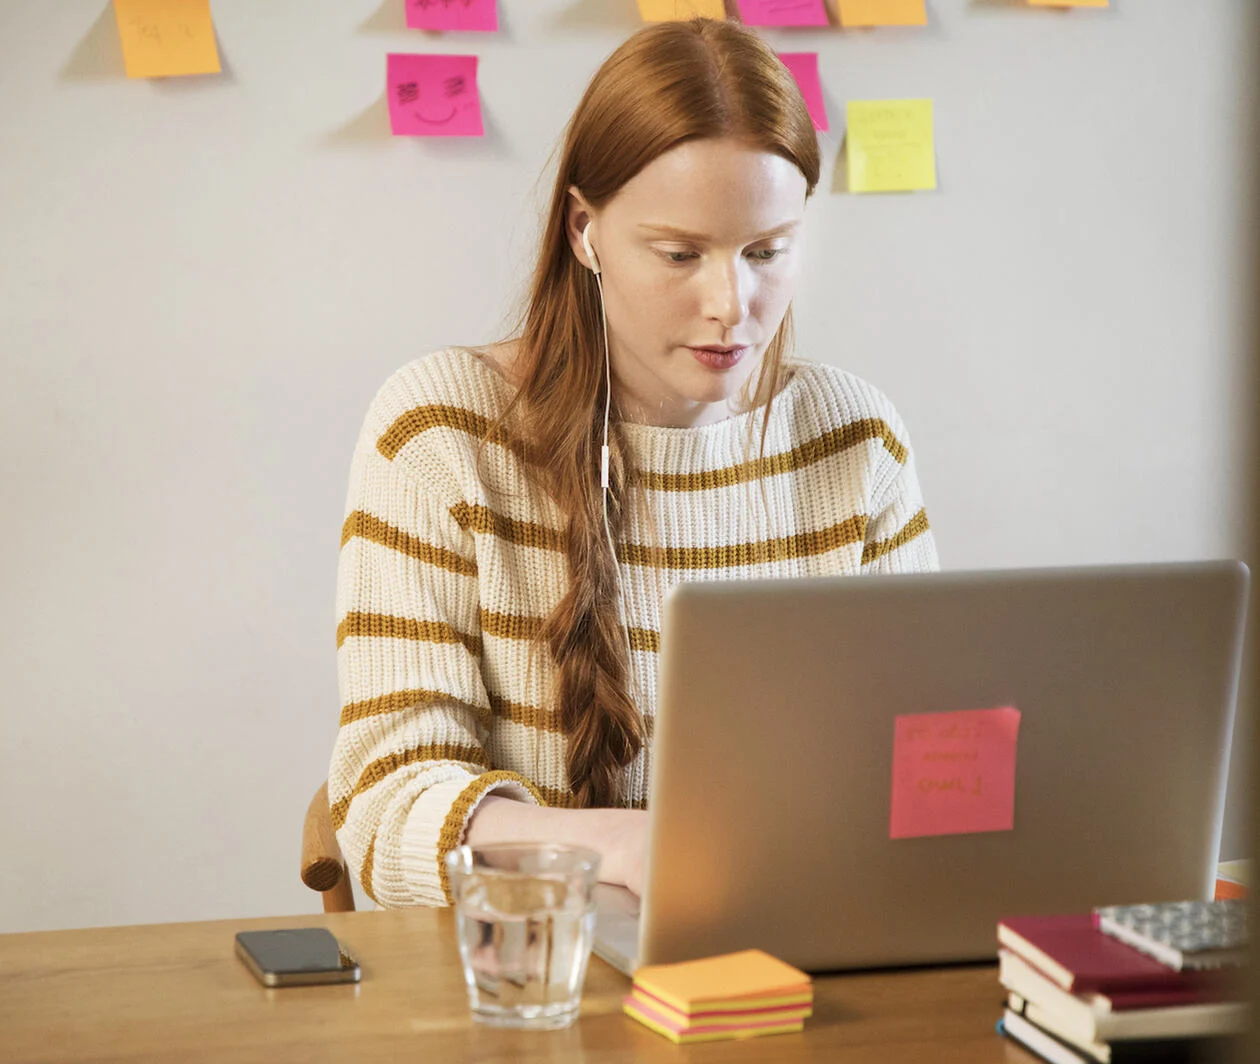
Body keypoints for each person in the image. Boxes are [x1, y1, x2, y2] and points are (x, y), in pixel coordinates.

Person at [329, 17, 939, 909]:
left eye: (767, 252)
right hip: (535, 992)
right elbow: (385, 807)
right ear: (585, 230)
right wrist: (613, 845)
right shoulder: (440, 434)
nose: (732, 304)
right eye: (681, 253)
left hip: (805, 967)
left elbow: (921, 762)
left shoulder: (857, 438)